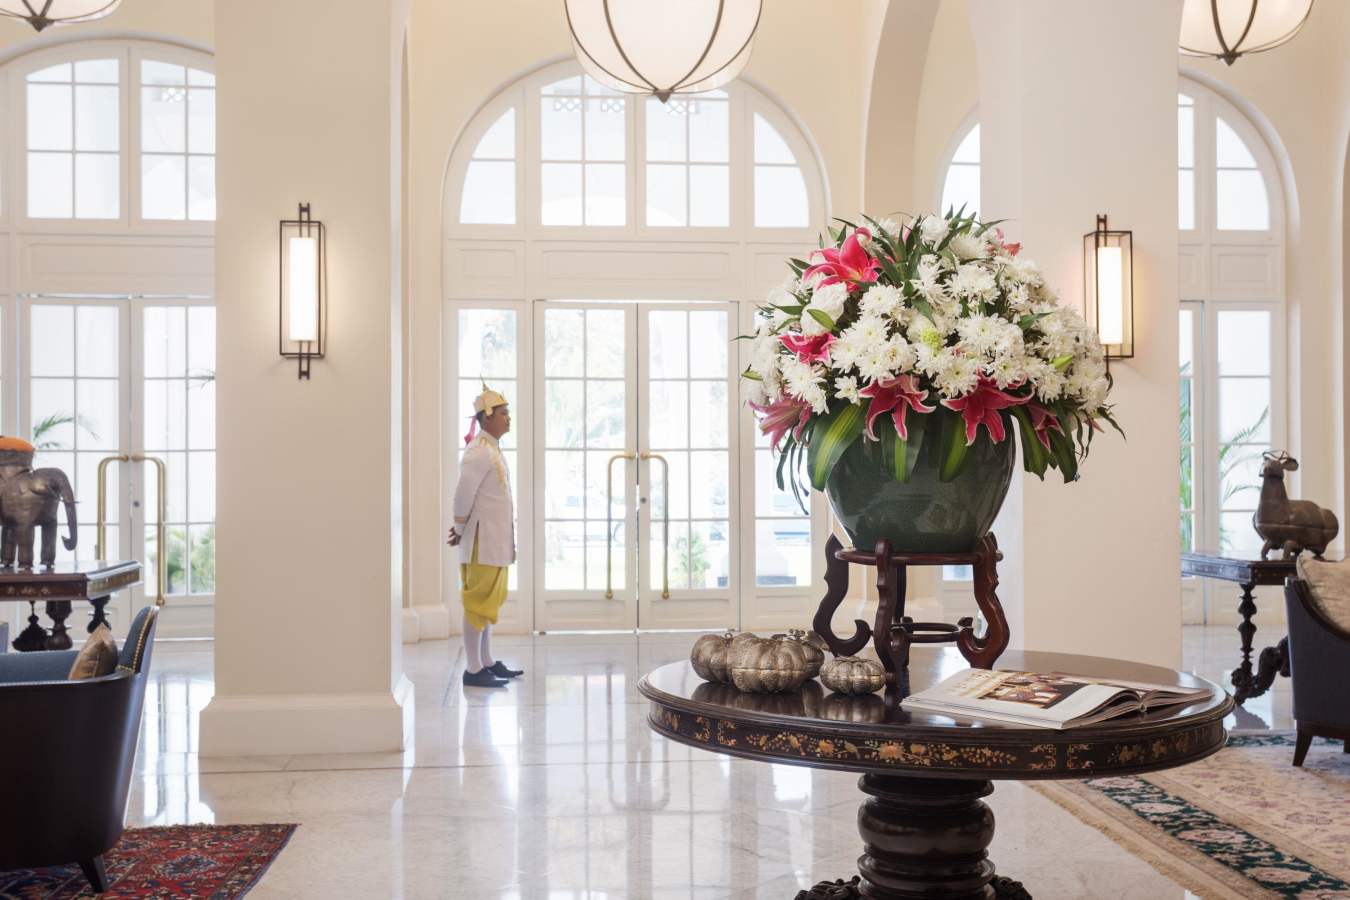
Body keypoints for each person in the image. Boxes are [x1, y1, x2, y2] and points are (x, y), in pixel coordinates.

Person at [448, 383, 523, 688]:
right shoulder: (478, 452)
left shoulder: (491, 448)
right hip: (481, 541)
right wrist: (460, 528)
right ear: (487, 417)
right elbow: (462, 497)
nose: (509, 419)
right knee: (478, 602)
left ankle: (487, 661)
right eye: (504, 413)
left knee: (489, 602)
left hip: (494, 539)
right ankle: (473, 668)